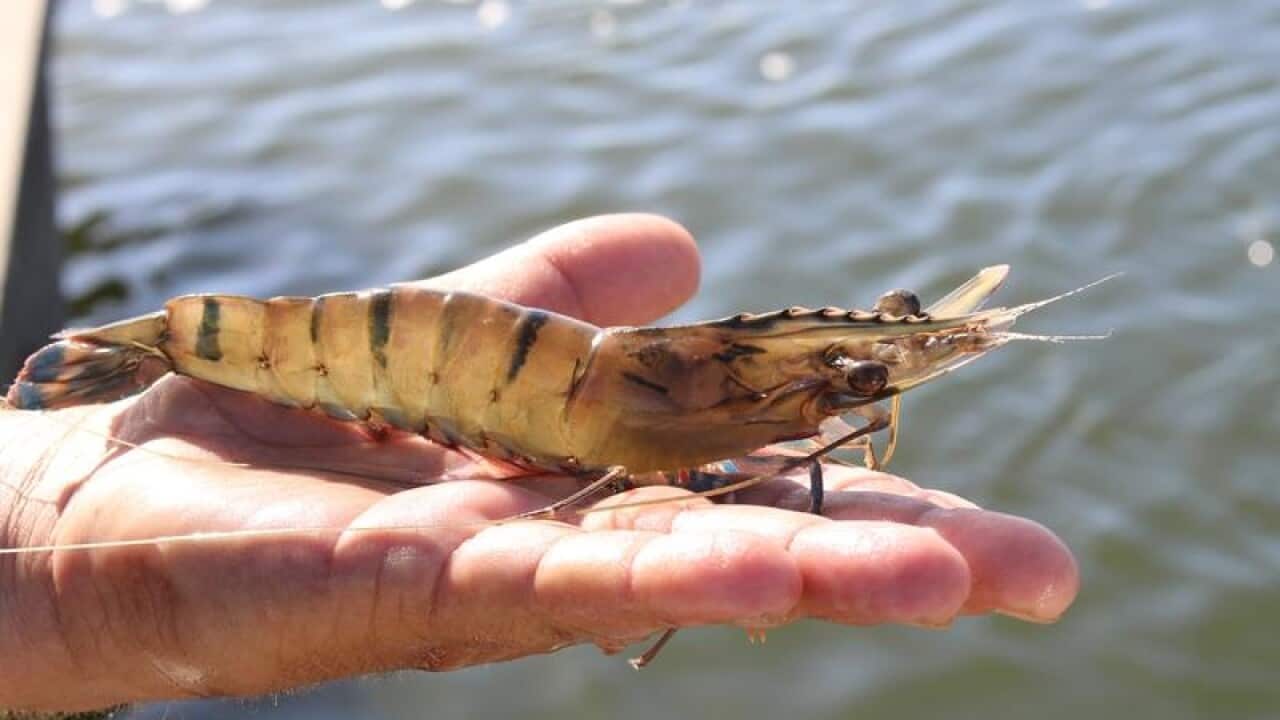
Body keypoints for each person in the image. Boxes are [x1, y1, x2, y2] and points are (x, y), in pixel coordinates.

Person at [0, 214, 1078, 714]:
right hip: (381, 367)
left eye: (855, 378)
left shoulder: (732, 381)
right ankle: (158, 348)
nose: (856, 392)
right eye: (856, 375)